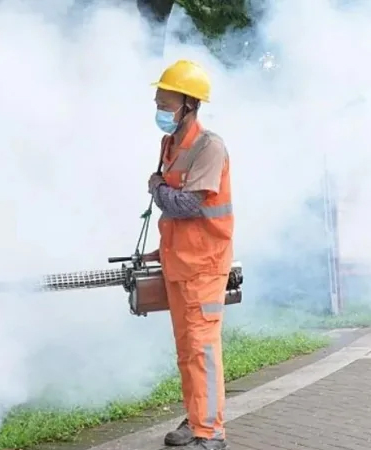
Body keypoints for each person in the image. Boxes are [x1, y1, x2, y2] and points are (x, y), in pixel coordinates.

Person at [144, 59, 234, 450]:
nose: (160, 107)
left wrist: (156, 188)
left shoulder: (208, 146)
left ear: (189, 104)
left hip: (204, 267)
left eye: (165, 101)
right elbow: (174, 213)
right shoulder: (170, 144)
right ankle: (195, 418)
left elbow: (190, 206)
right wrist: (160, 249)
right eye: (159, 100)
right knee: (187, 350)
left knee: (202, 349)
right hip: (179, 263)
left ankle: (210, 433)